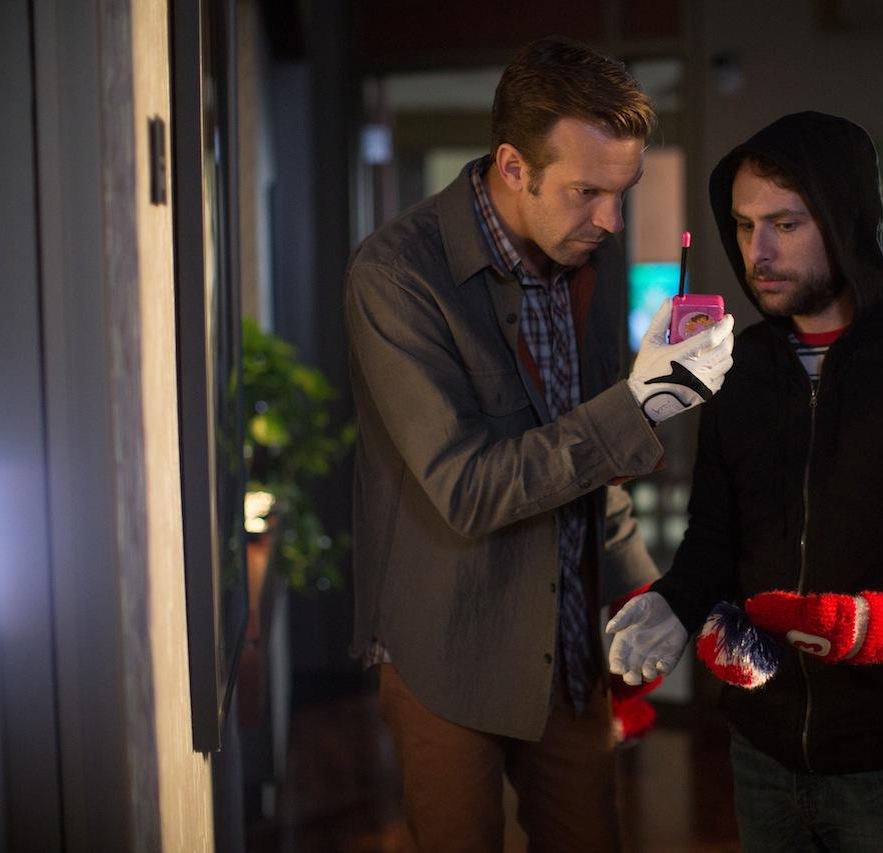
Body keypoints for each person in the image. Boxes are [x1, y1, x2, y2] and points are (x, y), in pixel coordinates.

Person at [606, 112, 883, 852]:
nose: (759, 250)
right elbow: (715, 536)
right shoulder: (738, 368)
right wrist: (675, 603)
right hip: (762, 750)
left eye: (785, 224)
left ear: (845, 221)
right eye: (745, 225)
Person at [344, 37, 734, 852]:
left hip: (567, 645)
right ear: (513, 166)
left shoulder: (589, 253)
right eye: (587, 192)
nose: (611, 221)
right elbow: (467, 488)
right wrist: (636, 405)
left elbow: (596, 469)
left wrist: (649, 592)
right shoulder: (395, 273)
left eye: (622, 193)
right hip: (448, 645)